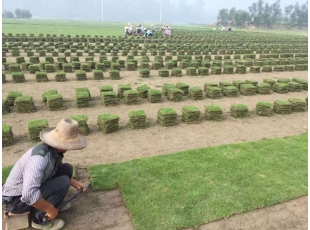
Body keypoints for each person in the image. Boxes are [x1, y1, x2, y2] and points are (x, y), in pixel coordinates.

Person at [2, 118, 88, 230]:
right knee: (63, 182)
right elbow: (29, 194)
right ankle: (39, 220)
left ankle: (55, 203)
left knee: (66, 169)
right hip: (16, 201)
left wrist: (75, 182)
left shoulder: (53, 151)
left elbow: (53, 171)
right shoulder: (40, 159)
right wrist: (49, 209)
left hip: (24, 193)